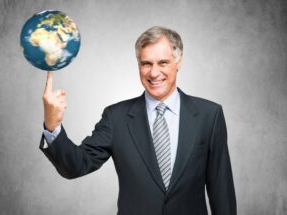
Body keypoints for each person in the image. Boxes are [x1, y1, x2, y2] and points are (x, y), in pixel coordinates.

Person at [40, 26, 237, 215]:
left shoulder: (209, 115)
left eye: (163, 62)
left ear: (179, 63)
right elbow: (75, 165)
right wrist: (52, 125)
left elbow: (221, 191)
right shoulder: (116, 118)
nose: (153, 72)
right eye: (146, 64)